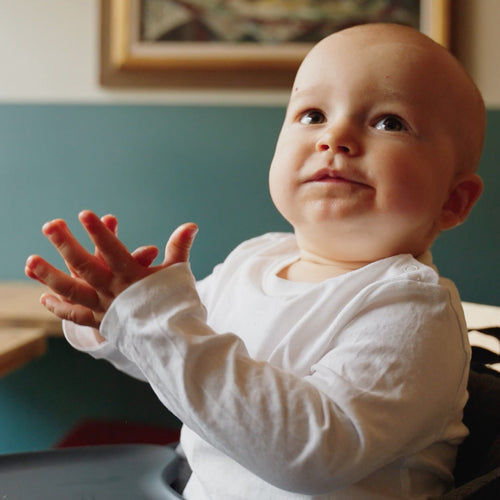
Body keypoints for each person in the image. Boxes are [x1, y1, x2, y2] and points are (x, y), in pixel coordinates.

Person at [25, 23, 486, 499]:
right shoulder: (253, 259)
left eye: (390, 122)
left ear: (453, 200)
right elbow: (180, 364)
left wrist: (150, 322)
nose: (336, 136)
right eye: (312, 115)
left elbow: (310, 452)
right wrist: (113, 318)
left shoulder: (412, 310)